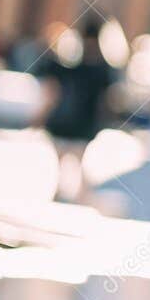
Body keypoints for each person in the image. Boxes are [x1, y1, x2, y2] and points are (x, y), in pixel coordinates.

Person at [33, 11, 125, 201]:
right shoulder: (104, 69)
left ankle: (62, 191)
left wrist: (41, 115)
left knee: (63, 164)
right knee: (80, 164)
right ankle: (79, 196)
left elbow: (53, 91)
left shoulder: (69, 63)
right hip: (84, 125)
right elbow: (108, 101)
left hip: (62, 123)